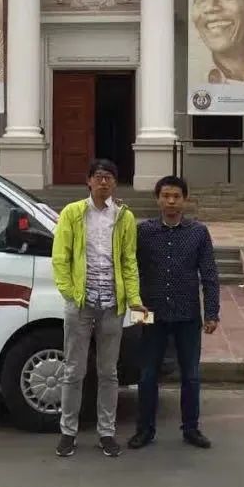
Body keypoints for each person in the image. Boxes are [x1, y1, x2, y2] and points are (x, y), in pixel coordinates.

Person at [51, 158, 146, 458]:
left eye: (109, 177)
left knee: (109, 372)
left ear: (115, 183)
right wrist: (69, 293)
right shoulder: (73, 213)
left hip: (112, 304)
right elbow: (60, 257)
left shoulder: (124, 217)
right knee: (73, 370)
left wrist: (134, 299)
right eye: (99, 176)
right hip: (81, 303)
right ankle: (68, 432)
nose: (104, 182)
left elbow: (129, 261)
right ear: (89, 181)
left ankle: (107, 432)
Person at [128, 175, 220, 450]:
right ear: (157, 199)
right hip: (148, 312)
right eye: (166, 196)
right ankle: (144, 430)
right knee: (147, 375)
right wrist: (132, 303)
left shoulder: (198, 233)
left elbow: (210, 275)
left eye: (176, 196)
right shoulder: (143, 232)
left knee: (190, 374)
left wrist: (212, 313)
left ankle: (191, 428)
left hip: (188, 314)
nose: (171, 201)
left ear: (185, 200)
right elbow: (131, 269)